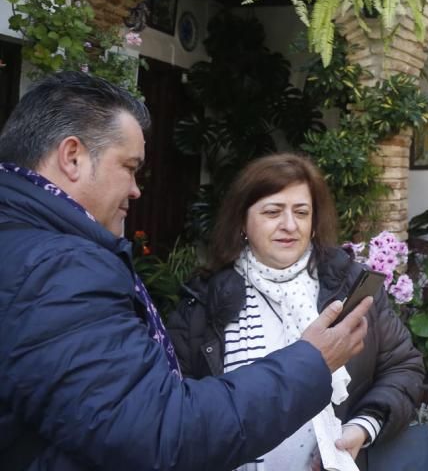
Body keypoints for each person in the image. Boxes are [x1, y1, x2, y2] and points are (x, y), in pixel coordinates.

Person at [0, 71, 374, 470]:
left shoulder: (24, 243)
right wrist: (310, 363)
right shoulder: (60, 269)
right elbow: (159, 432)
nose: (136, 189)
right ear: (72, 156)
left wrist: (365, 425)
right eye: (129, 167)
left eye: (301, 212)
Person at [168, 153, 427, 471]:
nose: (289, 225)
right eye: (273, 212)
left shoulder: (348, 287)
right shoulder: (204, 303)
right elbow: (176, 408)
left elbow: (403, 367)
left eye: (301, 212)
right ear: (243, 222)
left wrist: (362, 427)